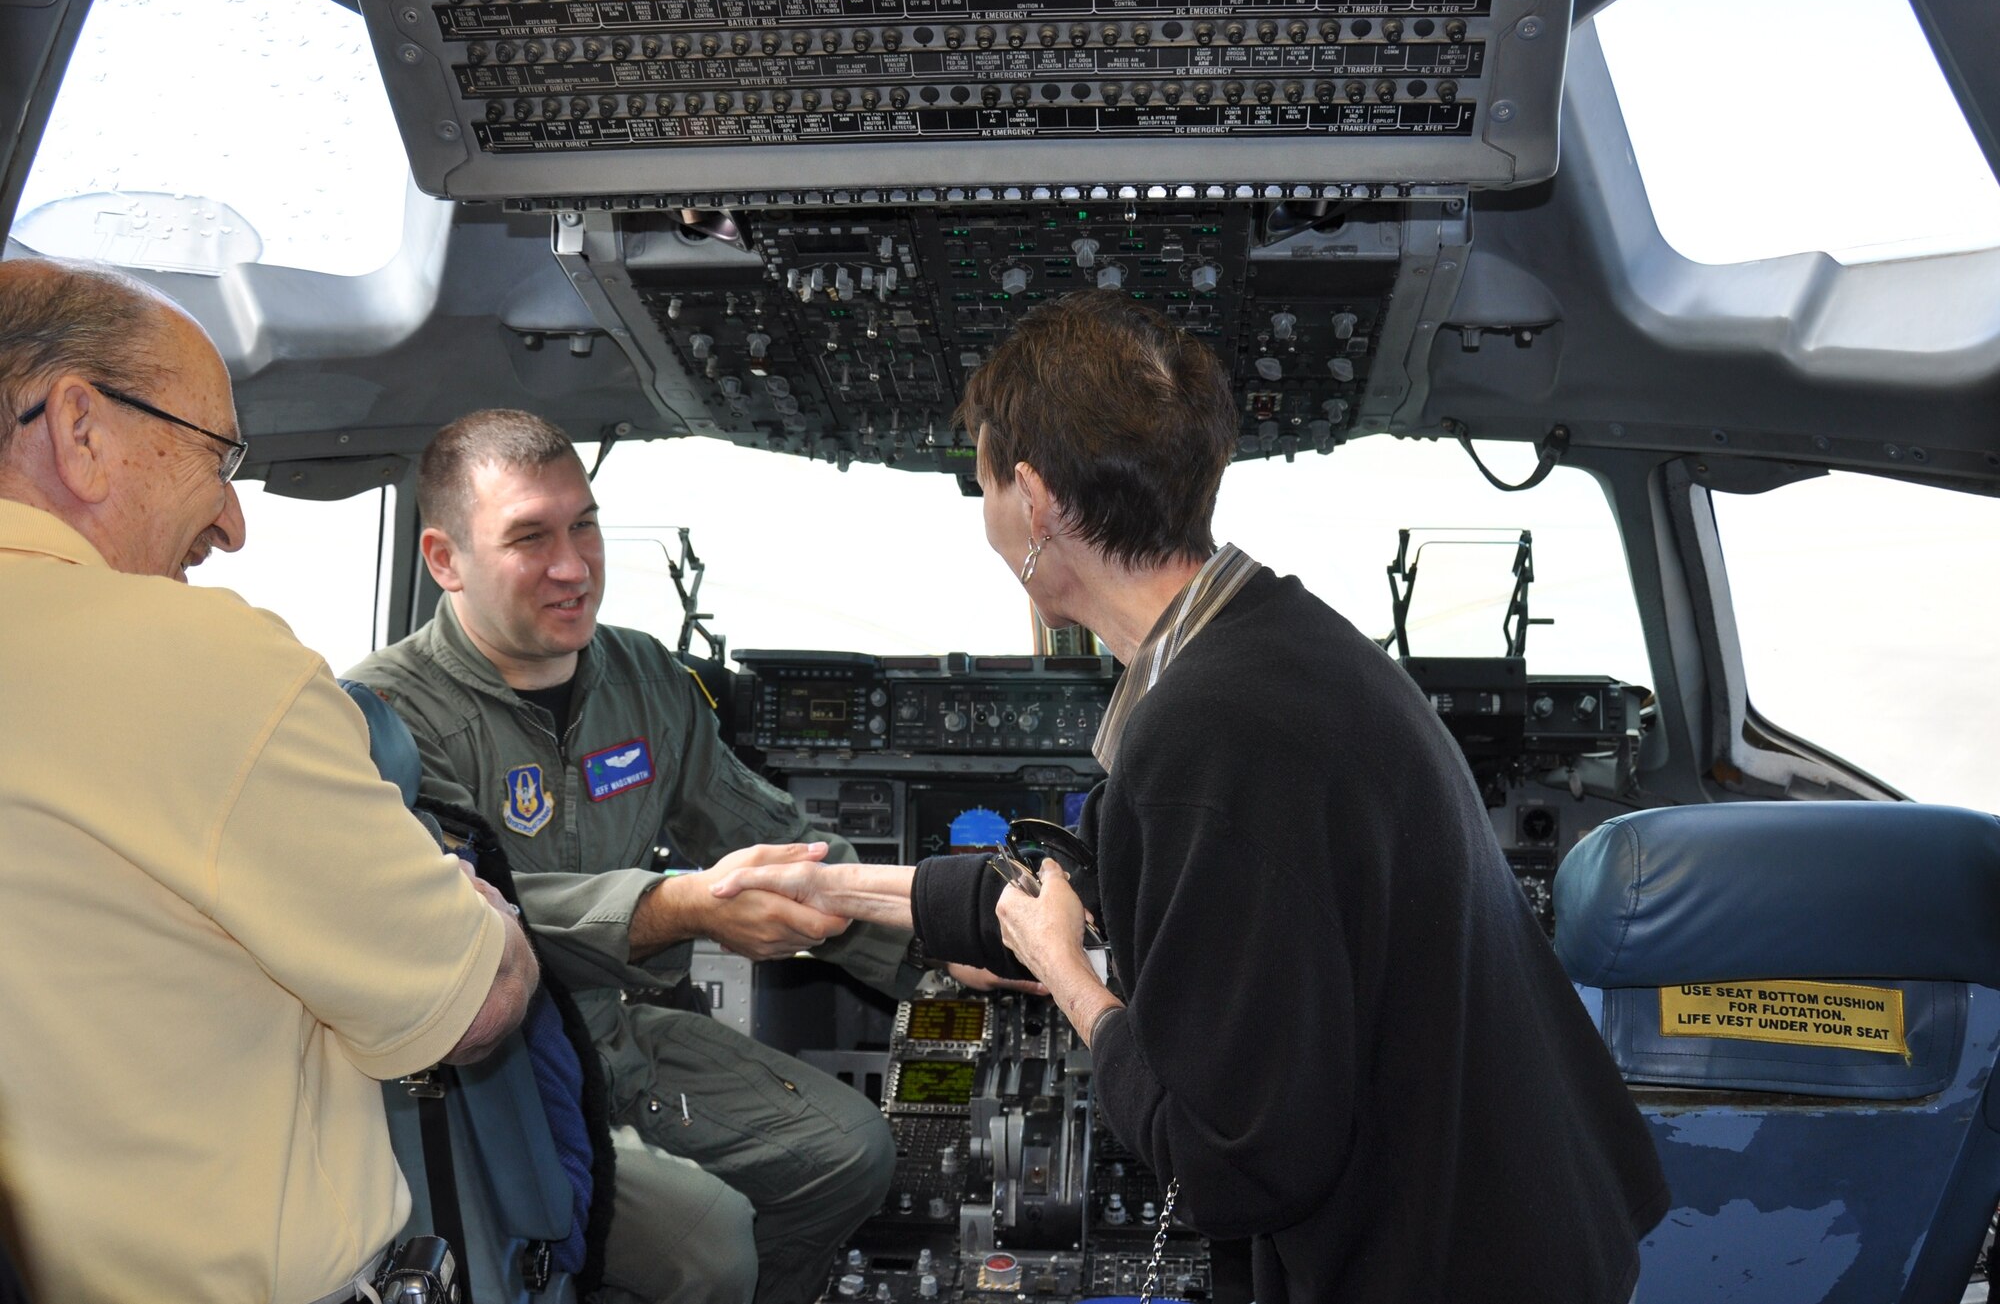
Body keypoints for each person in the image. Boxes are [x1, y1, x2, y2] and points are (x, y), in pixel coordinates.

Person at [710, 288, 1672, 1303]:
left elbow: (1232, 1163)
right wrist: (837, 888)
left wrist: (1077, 988)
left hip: (1455, 1262)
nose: (983, 506)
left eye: (980, 480)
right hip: (1511, 1208)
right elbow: (1100, 886)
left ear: (1034, 503)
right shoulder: (1266, 642)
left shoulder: (1210, 732)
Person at [349, 410, 999, 1304]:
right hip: (489, 1074)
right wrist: (681, 907)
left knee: (848, 1152)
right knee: (711, 1246)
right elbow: (469, 915)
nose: (574, 565)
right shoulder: (386, 716)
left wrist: (938, 931)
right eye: (529, 538)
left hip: (622, 1034)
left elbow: (766, 836)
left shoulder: (644, 678)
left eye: (584, 524)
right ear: (443, 559)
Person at [0, 257, 540, 1303]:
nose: (232, 520)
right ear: (78, 428)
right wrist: (481, 908)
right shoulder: (198, 665)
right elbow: (477, 998)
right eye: (217, 454)